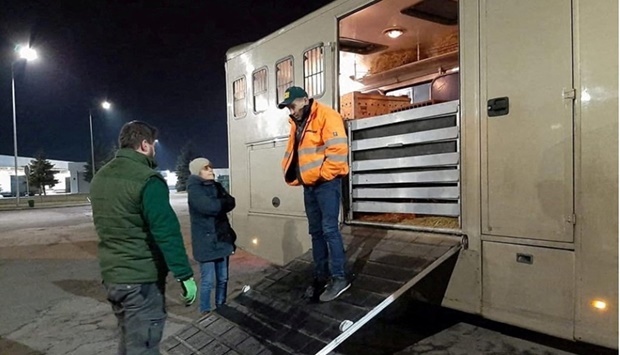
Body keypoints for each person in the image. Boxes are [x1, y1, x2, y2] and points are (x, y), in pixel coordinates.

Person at [90, 120, 197, 355]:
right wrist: (184, 274)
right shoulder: (148, 179)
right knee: (145, 347)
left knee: (129, 343)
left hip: (113, 279)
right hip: (141, 282)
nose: (155, 150)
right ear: (145, 144)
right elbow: (166, 231)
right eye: (153, 145)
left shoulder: (100, 177)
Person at [278, 86, 351, 302]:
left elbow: (338, 150)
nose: (290, 111)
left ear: (304, 100)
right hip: (309, 185)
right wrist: (299, 177)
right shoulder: (297, 122)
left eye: (292, 105)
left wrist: (322, 175)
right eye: (287, 108)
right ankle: (320, 277)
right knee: (316, 232)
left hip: (326, 183)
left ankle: (339, 278)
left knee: (329, 230)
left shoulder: (327, 115)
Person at [187, 157, 236, 315]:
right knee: (207, 281)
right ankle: (205, 312)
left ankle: (221, 306)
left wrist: (219, 205)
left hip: (222, 239)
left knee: (223, 278)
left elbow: (231, 202)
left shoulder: (217, 186)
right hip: (206, 242)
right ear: (198, 171)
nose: (211, 171)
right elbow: (209, 207)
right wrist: (220, 204)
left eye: (211, 167)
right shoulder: (194, 189)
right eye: (206, 168)